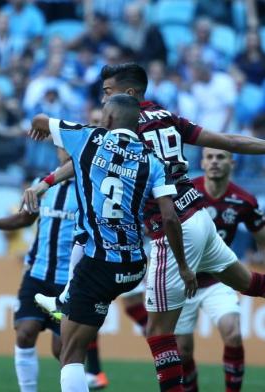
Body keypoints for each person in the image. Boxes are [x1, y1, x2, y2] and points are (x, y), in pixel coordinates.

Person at [28, 63, 265, 391]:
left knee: (158, 333)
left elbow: (86, 154)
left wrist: (46, 182)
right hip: (200, 216)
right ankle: (66, 296)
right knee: (249, 282)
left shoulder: (120, 129)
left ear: (128, 95)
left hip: (174, 229)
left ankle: (68, 297)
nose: (102, 101)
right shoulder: (168, 118)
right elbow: (227, 140)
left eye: (108, 93)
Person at [28, 93, 196, 392]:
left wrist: (42, 128)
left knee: (70, 353)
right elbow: (170, 218)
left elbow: (39, 120)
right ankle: (66, 297)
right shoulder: (152, 160)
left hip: (99, 264)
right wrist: (183, 267)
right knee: (89, 312)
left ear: (107, 119)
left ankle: (67, 298)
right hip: (133, 265)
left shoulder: (88, 139)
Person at [0, 148, 79, 392]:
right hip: (37, 274)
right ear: (57, 152)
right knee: (25, 333)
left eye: (71, 147)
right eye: (62, 147)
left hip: (68, 283)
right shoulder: (42, 184)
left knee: (63, 349)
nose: (67, 153)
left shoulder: (88, 189)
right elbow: (23, 219)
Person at [175, 148, 265, 392]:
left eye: (221, 157)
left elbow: (262, 238)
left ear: (232, 163)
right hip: (184, 280)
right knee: (182, 353)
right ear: (202, 162)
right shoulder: (185, 193)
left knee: (233, 333)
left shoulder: (244, 200)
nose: (215, 162)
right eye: (210, 157)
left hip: (219, 279)